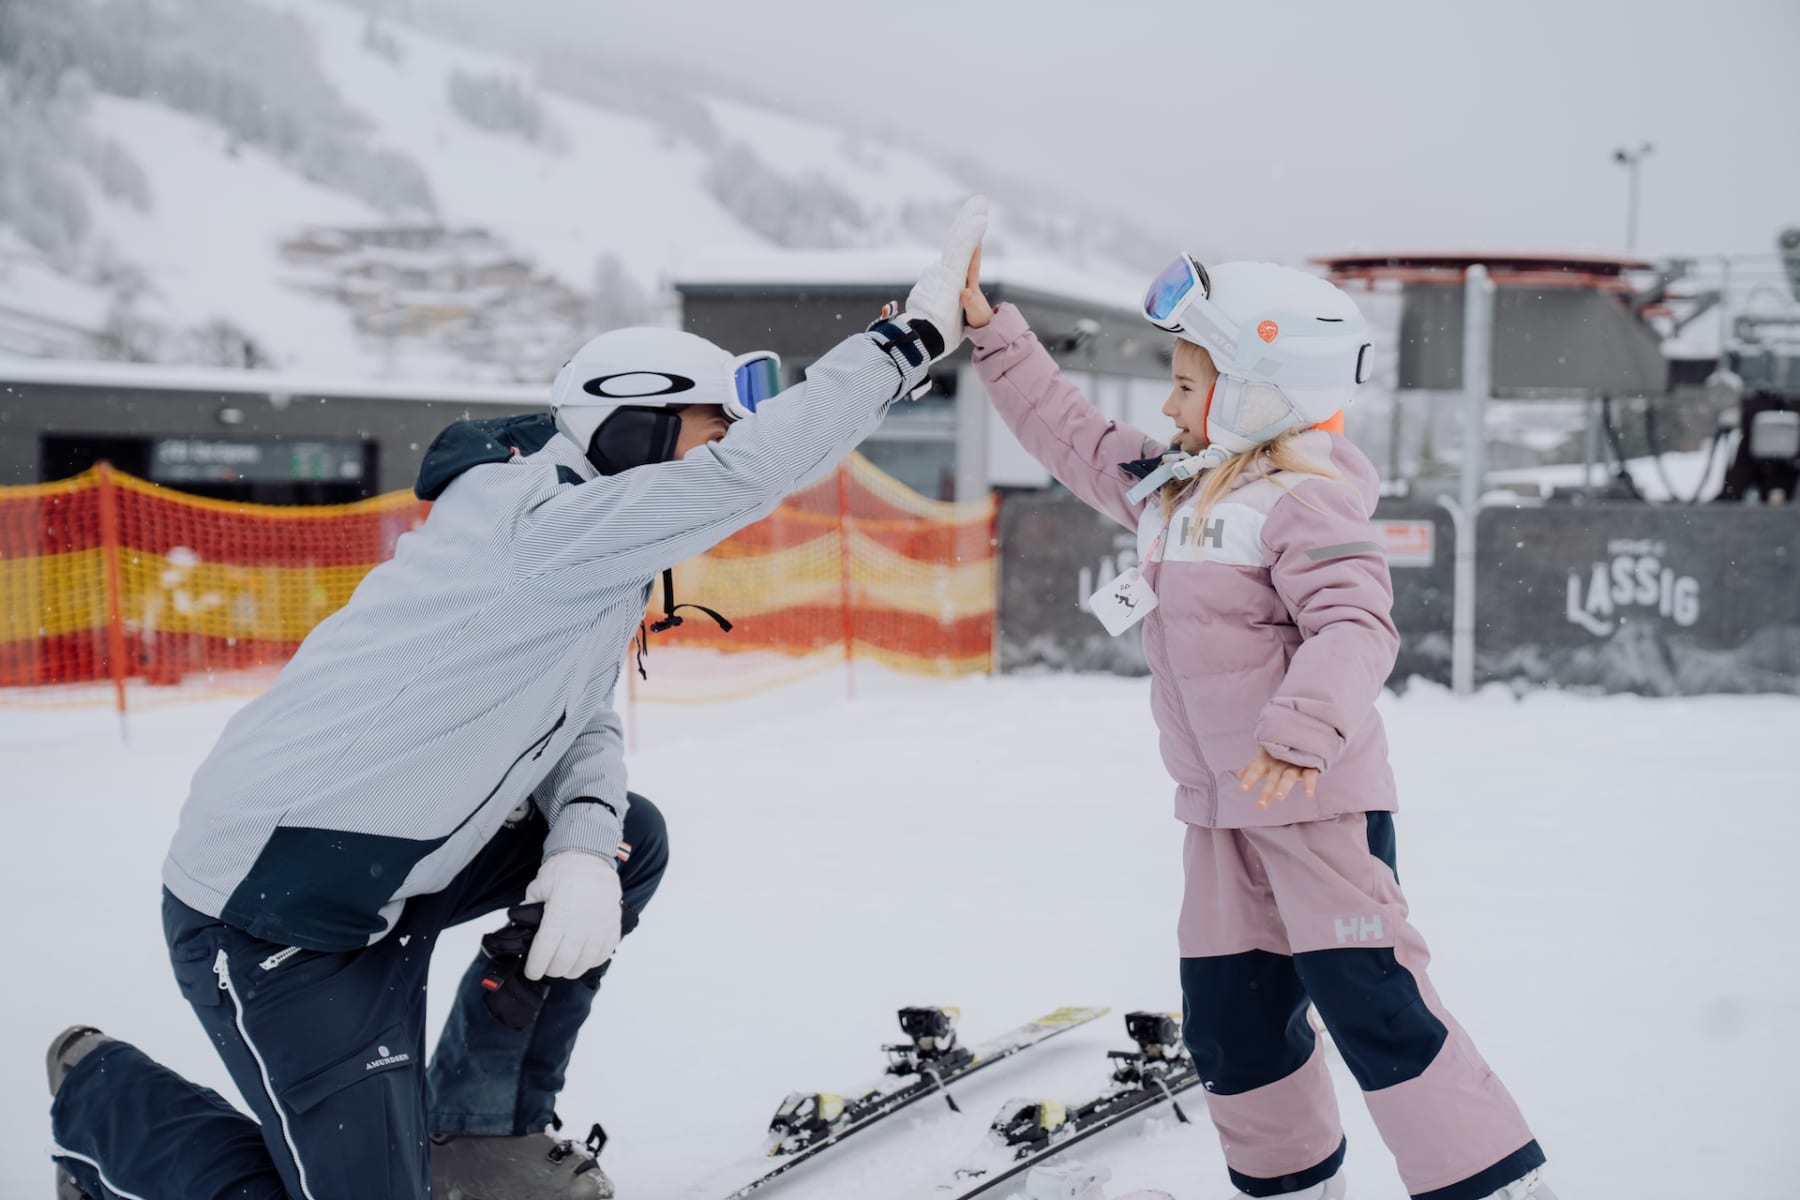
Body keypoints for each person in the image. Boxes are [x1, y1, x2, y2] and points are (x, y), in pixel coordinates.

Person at [45, 197, 989, 1200]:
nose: (721, 451)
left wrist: (584, 844)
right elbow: (745, 478)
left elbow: (578, 718)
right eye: (709, 428)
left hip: (392, 881)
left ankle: (477, 1126)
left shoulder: (589, 547)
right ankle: (104, 1102)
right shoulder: (543, 521)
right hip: (274, 913)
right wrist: (912, 337)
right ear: (639, 423)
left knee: (632, 834)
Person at [960, 249, 1554, 1200]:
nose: (1167, 406)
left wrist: (1298, 728)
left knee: (1375, 1006)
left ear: (1258, 394)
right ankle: (1294, 1187)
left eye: (1188, 385)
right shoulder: (1172, 489)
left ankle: (1495, 1187)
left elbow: (1356, 623)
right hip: (1220, 815)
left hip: (1314, 802)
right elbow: (1070, 433)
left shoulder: (1304, 501)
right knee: (1234, 1022)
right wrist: (991, 332)